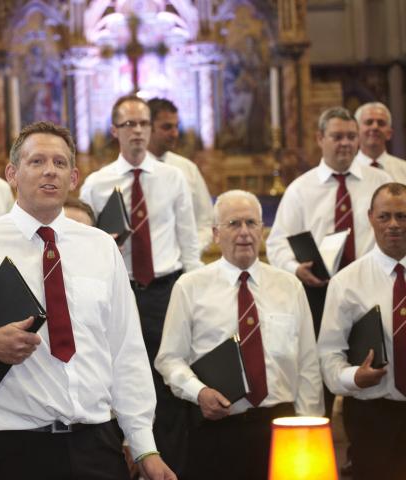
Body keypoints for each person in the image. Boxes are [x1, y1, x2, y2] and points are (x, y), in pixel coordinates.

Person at [0, 121, 176, 480]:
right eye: (37, 161)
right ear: (12, 173)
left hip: (95, 445)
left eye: (59, 163)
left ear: (73, 178)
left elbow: (127, 353)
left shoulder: (100, 247)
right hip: (8, 450)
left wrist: (144, 444)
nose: (49, 171)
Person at [156, 190, 323, 480]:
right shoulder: (190, 287)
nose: (244, 232)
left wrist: (309, 426)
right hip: (216, 428)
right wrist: (199, 392)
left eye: (251, 223)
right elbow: (169, 360)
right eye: (234, 224)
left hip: (280, 424)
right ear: (216, 233)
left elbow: (308, 364)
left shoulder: (289, 287)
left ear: (262, 230)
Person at [80, 94, 201, 475]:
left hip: (167, 290)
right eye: (129, 124)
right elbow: (83, 243)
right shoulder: (97, 184)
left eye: (144, 124)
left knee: (169, 386)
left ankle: (172, 467)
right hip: (121, 291)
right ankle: (125, 464)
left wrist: (193, 291)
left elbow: (189, 238)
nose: (137, 131)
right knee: (119, 377)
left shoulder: (173, 177)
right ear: (115, 131)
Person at [266, 106, 392, 337]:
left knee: (377, 359)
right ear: (320, 138)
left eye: (351, 137)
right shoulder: (300, 189)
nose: (345, 143)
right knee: (324, 362)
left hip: (373, 287)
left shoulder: (380, 183)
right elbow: (277, 243)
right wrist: (295, 269)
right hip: (320, 292)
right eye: (337, 137)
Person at [318, 182, 406, 480]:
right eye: (385, 217)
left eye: (402, 216)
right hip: (373, 417)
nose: (393, 225)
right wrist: (353, 377)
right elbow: (328, 356)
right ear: (370, 218)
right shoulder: (346, 282)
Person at [147, 98, 213, 252]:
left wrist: (191, 250)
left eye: (176, 126)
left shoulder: (188, 169)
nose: (175, 133)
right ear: (148, 127)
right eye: (167, 127)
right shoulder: (133, 172)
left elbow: (206, 221)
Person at [354, 102, 406, 183]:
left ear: (389, 133)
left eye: (381, 123)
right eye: (369, 122)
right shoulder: (347, 170)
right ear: (356, 131)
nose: (375, 127)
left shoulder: (404, 169)